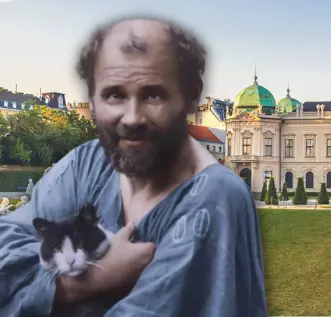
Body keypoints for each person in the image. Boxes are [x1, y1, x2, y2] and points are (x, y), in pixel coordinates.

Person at [0, 17, 267, 316]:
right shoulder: (87, 162)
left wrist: (38, 292)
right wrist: (91, 282)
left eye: (153, 94)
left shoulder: (216, 200)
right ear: (93, 100)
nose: (132, 118)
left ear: (191, 96)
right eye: (114, 94)